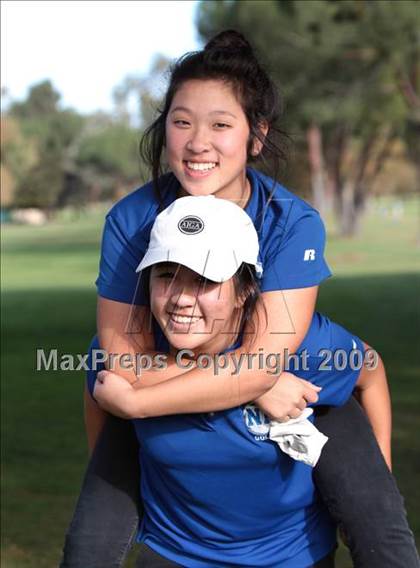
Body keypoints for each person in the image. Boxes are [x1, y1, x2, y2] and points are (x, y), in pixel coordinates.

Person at [60, 30, 419, 568]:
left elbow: (275, 364)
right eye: (181, 122)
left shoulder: (290, 222)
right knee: (87, 548)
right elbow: (119, 364)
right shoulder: (133, 219)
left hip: (291, 372)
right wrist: (252, 385)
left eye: (221, 124)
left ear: (256, 136)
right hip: (178, 371)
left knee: (385, 541)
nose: (197, 142)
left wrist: (143, 399)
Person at [90, 194, 390, 567]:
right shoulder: (127, 358)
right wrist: (255, 383)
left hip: (292, 557)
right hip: (175, 555)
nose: (181, 299)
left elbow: (371, 370)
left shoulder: (304, 348)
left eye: (204, 279)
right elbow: (102, 410)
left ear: (244, 291)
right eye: (166, 275)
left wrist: (377, 489)